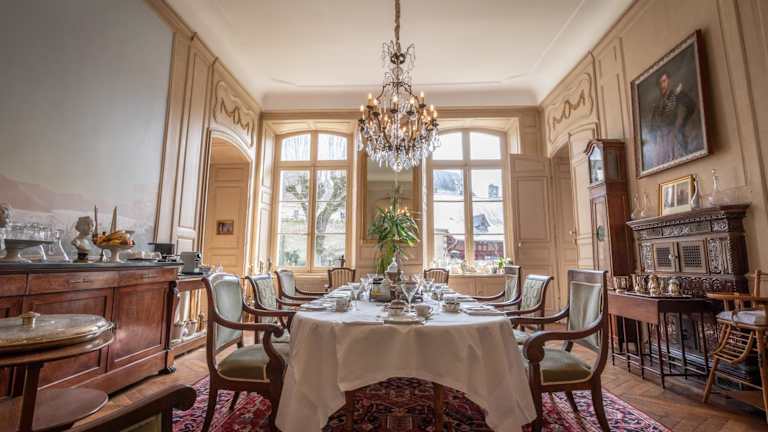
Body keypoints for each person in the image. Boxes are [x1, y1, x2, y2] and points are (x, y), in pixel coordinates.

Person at [647, 71, 697, 168]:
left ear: (668, 81)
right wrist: (654, 139)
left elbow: (691, 106)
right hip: (661, 141)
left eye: (664, 81)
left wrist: (682, 125)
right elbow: (652, 125)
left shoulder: (676, 95)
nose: (662, 85)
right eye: (660, 83)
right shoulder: (657, 103)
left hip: (673, 137)